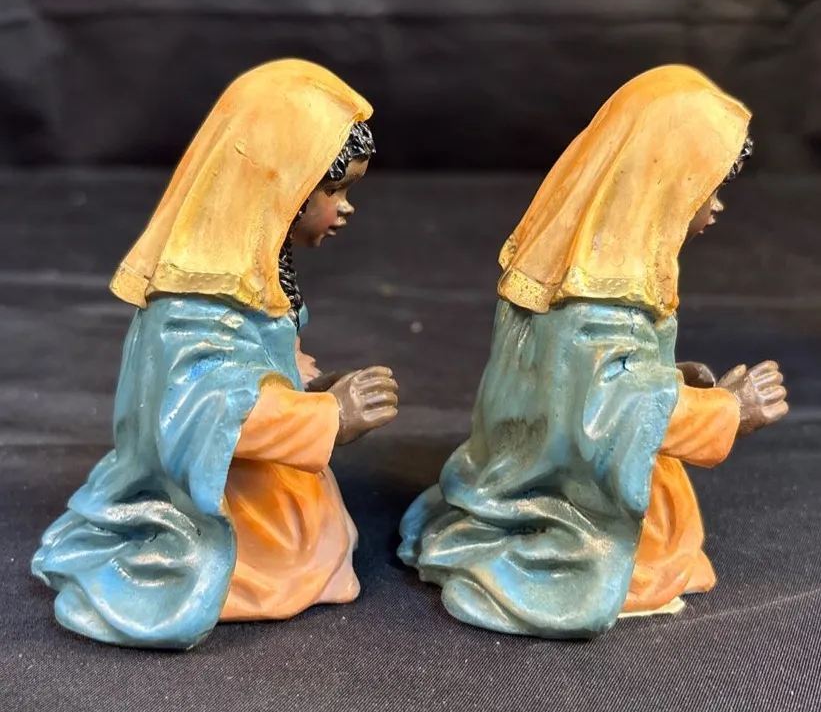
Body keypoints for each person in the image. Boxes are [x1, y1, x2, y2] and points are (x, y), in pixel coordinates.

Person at [398, 64, 788, 638]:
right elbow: (605, 414)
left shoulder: (597, 267)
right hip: (564, 493)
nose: (717, 206)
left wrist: (673, 377)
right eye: (709, 188)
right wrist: (729, 411)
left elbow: (591, 381)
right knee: (631, 553)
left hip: (571, 462)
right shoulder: (599, 297)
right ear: (666, 185)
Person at [32, 60, 399, 649]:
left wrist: (308, 383)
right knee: (286, 557)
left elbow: (264, 360)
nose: (345, 207)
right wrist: (331, 418)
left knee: (315, 541)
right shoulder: (198, 301)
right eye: (333, 190)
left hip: (272, 488)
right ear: (279, 187)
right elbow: (204, 411)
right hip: (218, 500)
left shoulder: (258, 271)